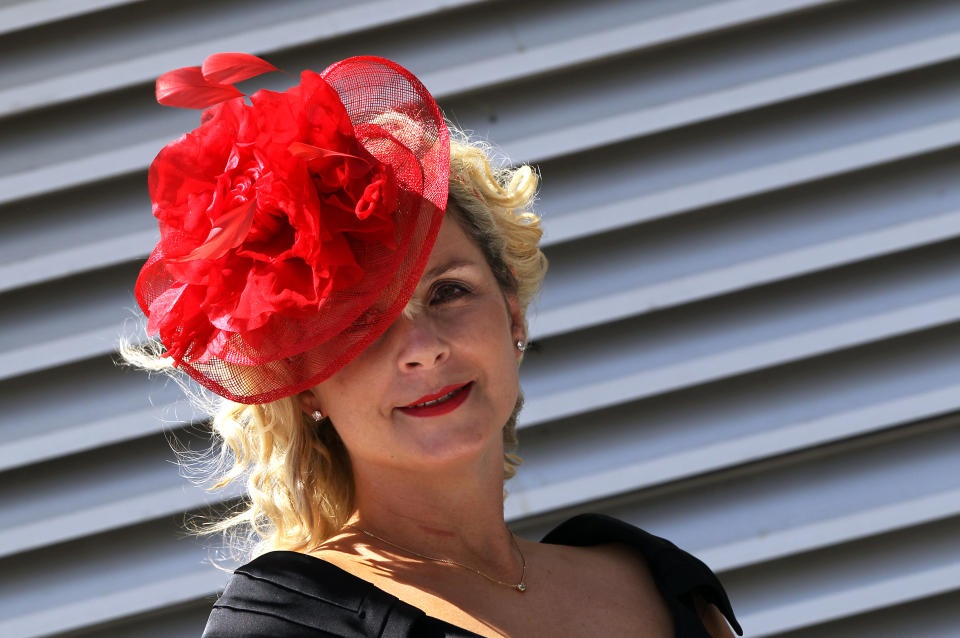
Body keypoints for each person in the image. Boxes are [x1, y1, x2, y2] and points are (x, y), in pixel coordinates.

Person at [126, 53, 742, 638]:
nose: (421, 348)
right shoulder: (285, 624)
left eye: (448, 291)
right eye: (358, 323)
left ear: (512, 311)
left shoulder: (659, 581)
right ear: (304, 384)